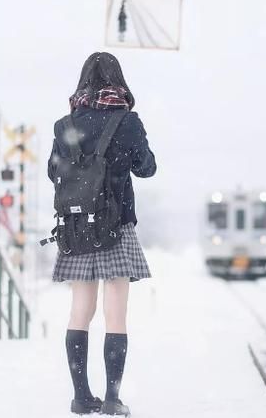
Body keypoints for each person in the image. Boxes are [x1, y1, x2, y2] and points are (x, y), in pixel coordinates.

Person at [47, 51, 156, 416]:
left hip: (77, 227)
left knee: (80, 310)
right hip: (115, 225)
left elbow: (53, 172)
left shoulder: (65, 125)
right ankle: (112, 398)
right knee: (116, 314)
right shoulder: (127, 121)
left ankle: (81, 396)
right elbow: (147, 168)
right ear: (117, 80)